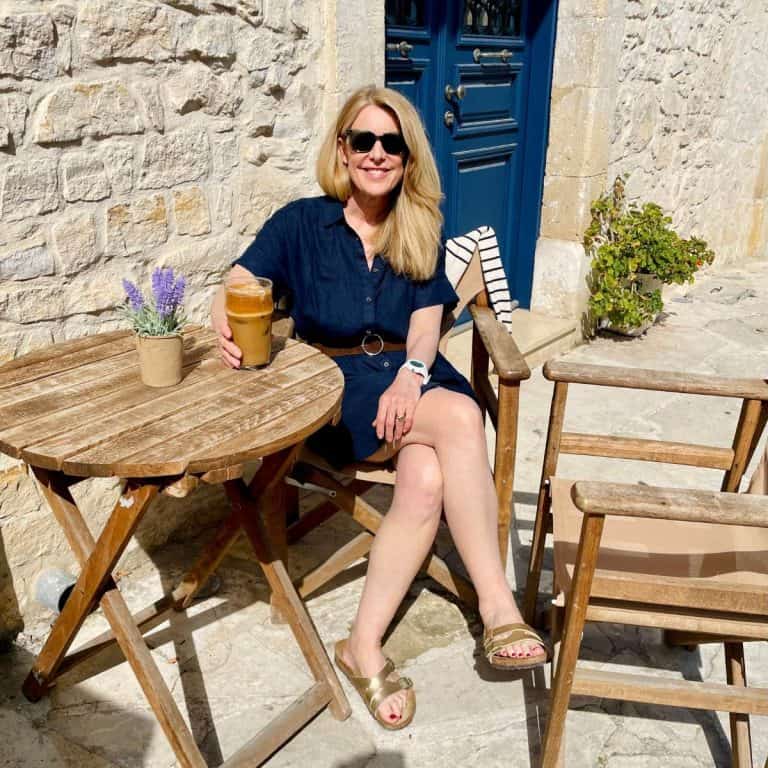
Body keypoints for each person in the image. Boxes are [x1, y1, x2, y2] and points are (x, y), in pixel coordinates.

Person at [211, 86, 547, 730]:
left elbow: (425, 325)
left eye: (392, 143)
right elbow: (241, 279)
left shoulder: (418, 225)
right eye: (363, 140)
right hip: (336, 384)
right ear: (342, 149)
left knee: (426, 479)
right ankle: (498, 606)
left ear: (408, 157)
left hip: (410, 370)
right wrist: (222, 315)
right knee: (460, 418)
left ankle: (361, 647)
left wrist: (412, 377)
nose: (377, 153)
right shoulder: (302, 223)